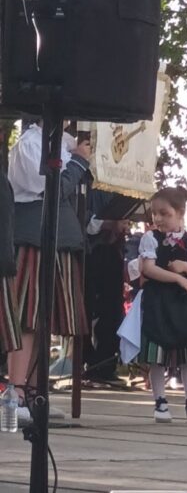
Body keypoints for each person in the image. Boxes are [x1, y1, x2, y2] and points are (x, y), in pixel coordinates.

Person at [1, 120, 92, 424]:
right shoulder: (30, 143)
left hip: (56, 239)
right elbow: (51, 189)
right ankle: (15, 395)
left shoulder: (63, 142)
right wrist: (78, 162)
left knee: (44, 321)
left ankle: (34, 395)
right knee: (27, 320)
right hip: (33, 238)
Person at [136, 186, 187, 423]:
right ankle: (160, 403)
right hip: (158, 301)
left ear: (180, 213)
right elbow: (148, 269)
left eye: (164, 213)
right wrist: (178, 278)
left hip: (183, 304)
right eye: (154, 213)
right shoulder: (150, 239)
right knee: (158, 354)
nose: (158, 218)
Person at [83, 189, 133, 385]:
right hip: (87, 252)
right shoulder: (86, 183)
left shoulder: (117, 186)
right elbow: (82, 217)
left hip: (111, 251)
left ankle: (105, 365)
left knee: (112, 308)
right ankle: (87, 362)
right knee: (85, 308)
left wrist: (119, 226)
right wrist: (109, 224)